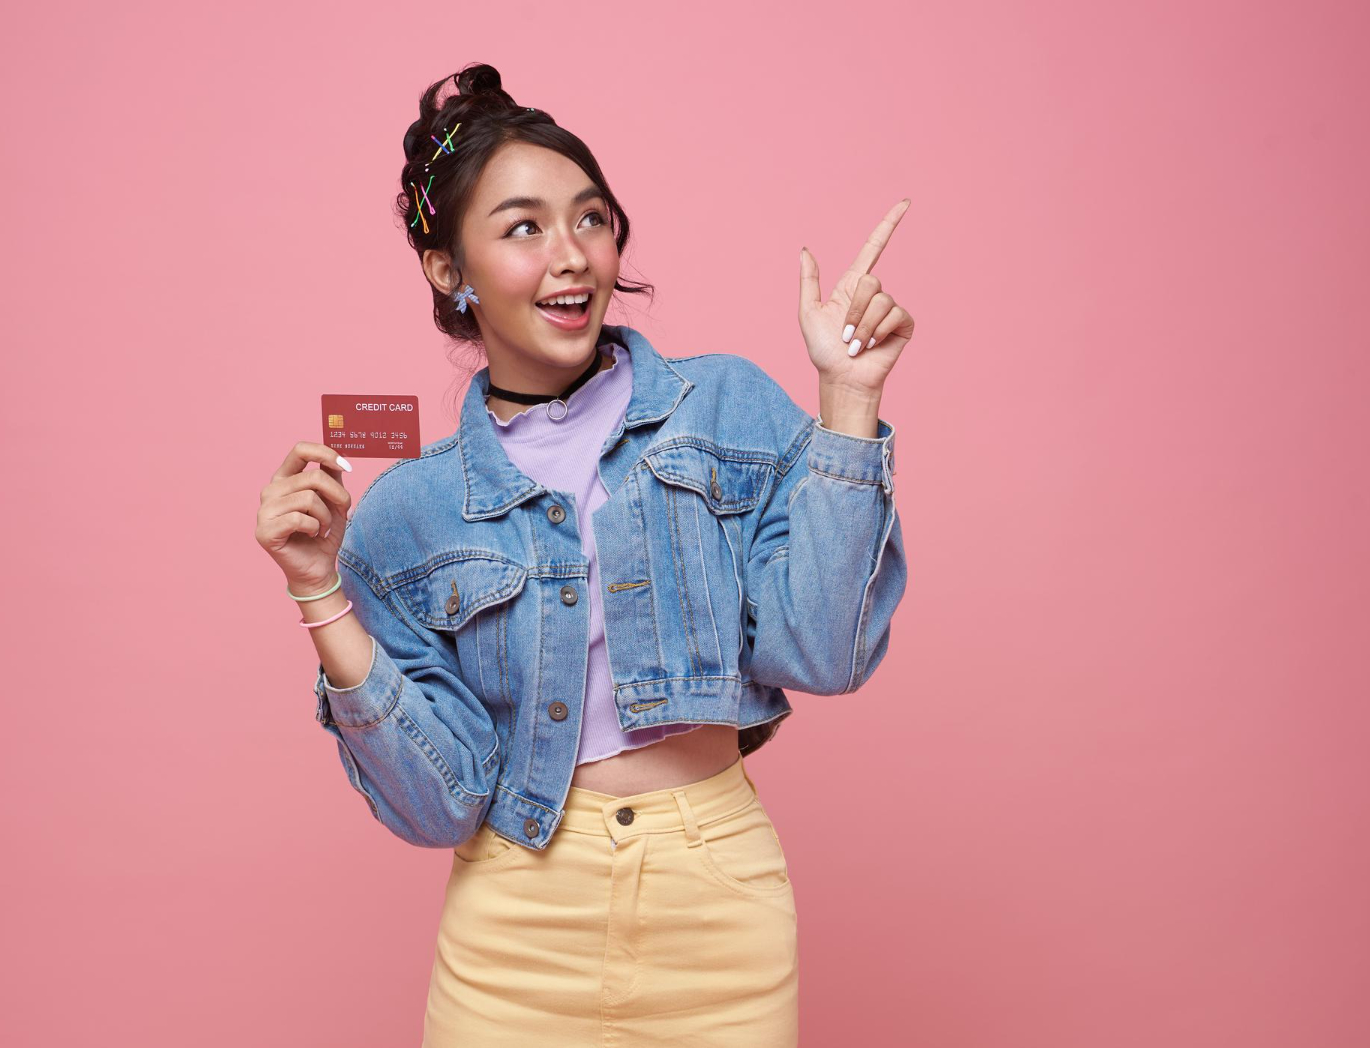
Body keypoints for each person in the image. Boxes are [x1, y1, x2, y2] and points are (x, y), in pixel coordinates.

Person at [254, 63, 913, 1048]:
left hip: (717, 909)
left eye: (591, 219)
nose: (572, 256)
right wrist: (319, 591)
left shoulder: (724, 406)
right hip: (516, 924)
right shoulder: (409, 515)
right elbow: (441, 802)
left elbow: (826, 652)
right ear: (450, 270)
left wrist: (849, 405)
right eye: (522, 227)